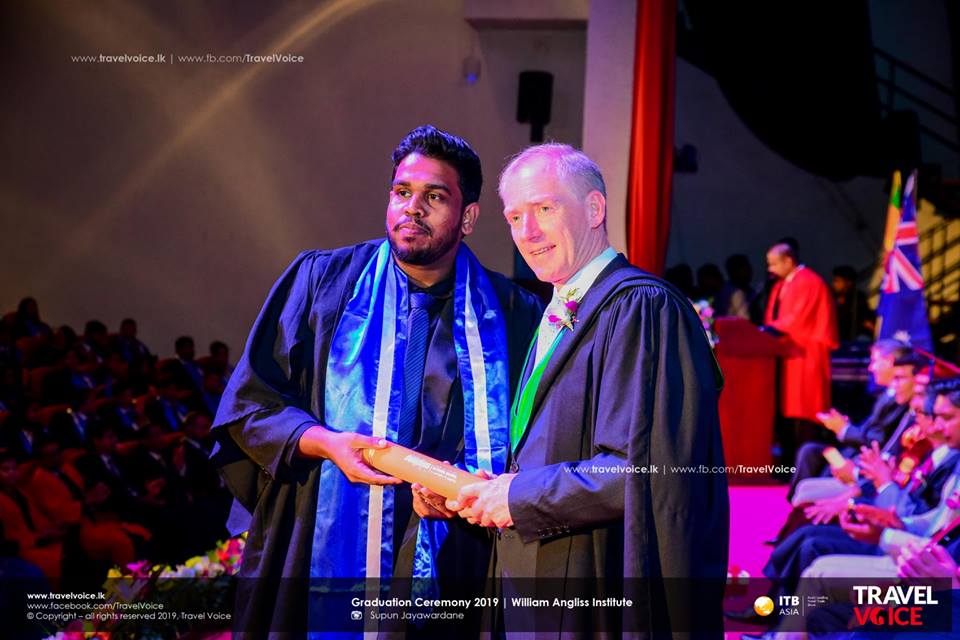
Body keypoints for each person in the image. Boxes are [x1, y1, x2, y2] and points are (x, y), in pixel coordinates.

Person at [210, 125, 542, 637]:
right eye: (402, 192)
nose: (413, 208)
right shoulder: (322, 283)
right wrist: (325, 442)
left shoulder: (513, 314)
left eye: (435, 197)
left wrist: (460, 484)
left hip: (453, 545)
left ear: (468, 217)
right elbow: (251, 404)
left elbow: (535, 440)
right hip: (319, 524)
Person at [446, 144, 729, 637]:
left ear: (595, 209)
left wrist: (518, 495)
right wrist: (485, 489)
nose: (527, 232)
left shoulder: (642, 308)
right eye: (515, 217)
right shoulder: (557, 311)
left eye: (544, 209)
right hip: (538, 573)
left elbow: (640, 468)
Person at [764, 243, 839, 463]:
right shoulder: (783, 284)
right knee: (789, 412)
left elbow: (798, 318)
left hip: (806, 353)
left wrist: (769, 329)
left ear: (788, 261)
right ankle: (789, 462)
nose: (770, 269)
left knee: (805, 412)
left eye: (773, 264)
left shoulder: (809, 281)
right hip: (789, 352)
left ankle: (804, 464)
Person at [831, 265, 875, 342]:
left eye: (837, 281)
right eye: (834, 281)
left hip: (852, 340)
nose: (834, 284)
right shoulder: (831, 296)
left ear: (848, 283)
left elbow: (866, 321)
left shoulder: (858, 298)